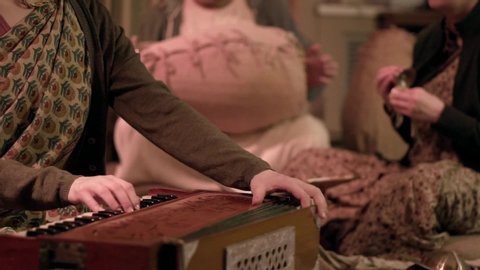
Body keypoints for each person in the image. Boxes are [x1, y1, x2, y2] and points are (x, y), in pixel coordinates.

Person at [0, 0, 327, 231]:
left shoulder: (84, 15)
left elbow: (155, 105)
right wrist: (63, 186)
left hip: (59, 217)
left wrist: (254, 172)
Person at [281, 0, 480, 263]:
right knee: (309, 161)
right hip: (415, 168)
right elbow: (419, 142)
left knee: (423, 185)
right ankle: (320, 237)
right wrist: (397, 104)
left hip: (466, 180)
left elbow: (445, 125)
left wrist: (441, 115)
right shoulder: (431, 39)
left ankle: (341, 250)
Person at [138, 0, 338, 98]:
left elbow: (307, 66)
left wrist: (308, 79)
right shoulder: (162, 14)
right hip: (184, 136)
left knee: (311, 133)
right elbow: (137, 83)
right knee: (131, 134)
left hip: (261, 136)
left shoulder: (267, 6)